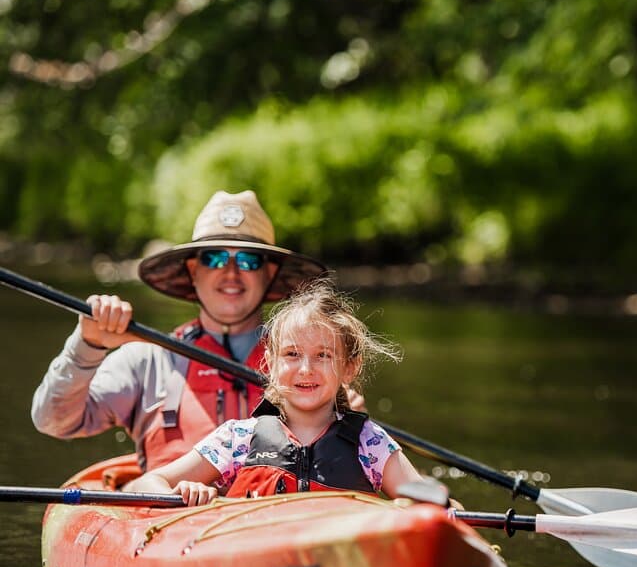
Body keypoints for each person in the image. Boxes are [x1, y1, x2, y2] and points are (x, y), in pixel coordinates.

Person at [30, 190, 362, 473]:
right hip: (170, 529)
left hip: (272, 522)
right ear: (193, 270)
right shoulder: (147, 359)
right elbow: (53, 421)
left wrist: (347, 425)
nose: (231, 273)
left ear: (269, 273)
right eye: (215, 258)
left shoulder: (307, 366)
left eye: (248, 261)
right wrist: (87, 345)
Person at [130, 279, 423, 505]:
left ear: (349, 367)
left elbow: (437, 505)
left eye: (323, 355)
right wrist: (184, 492)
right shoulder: (238, 439)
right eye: (292, 354)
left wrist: (433, 508)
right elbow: (146, 484)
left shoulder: (369, 443)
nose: (306, 369)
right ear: (270, 364)